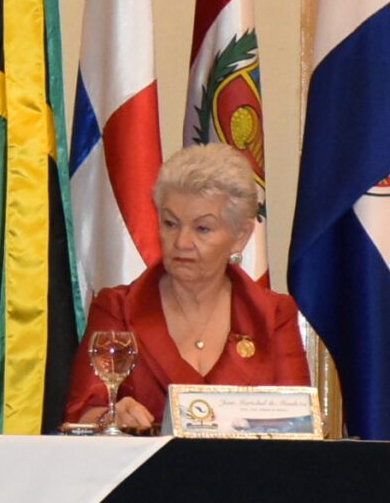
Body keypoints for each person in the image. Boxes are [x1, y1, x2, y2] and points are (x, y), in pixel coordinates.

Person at [67, 143, 308, 432]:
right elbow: (78, 418)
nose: (181, 242)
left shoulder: (273, 316)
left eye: (202, 228)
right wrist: (110, 417)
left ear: (240, 235)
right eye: (171, 224)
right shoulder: (117, 309)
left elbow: (298, 428)